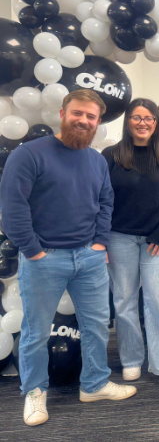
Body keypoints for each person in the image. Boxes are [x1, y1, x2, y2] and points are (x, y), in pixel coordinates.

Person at [1, 90, 136, 426]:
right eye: (78, 113)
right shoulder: (29, 154)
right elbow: (12, 207)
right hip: (43, 260)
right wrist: (33, 249)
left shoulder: (95, 160)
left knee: (96, 327)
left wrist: (100, 242)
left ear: (97, 122)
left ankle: (94, 384)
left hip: (89, 259)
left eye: (91, 117)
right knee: (36, 332)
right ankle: (34, 393)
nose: (84, 121)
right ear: (62, 113)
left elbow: (105, 203)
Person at [102, 98, 159, 392]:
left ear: (156, 123)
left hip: (157, 241)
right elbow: (100, 199)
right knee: (124, 302)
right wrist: (100, 238)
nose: (143, 123)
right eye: (137, 118)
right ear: (128, 122)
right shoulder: (111, 155)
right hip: (118, 238)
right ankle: (131, 360)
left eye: (149, 118)